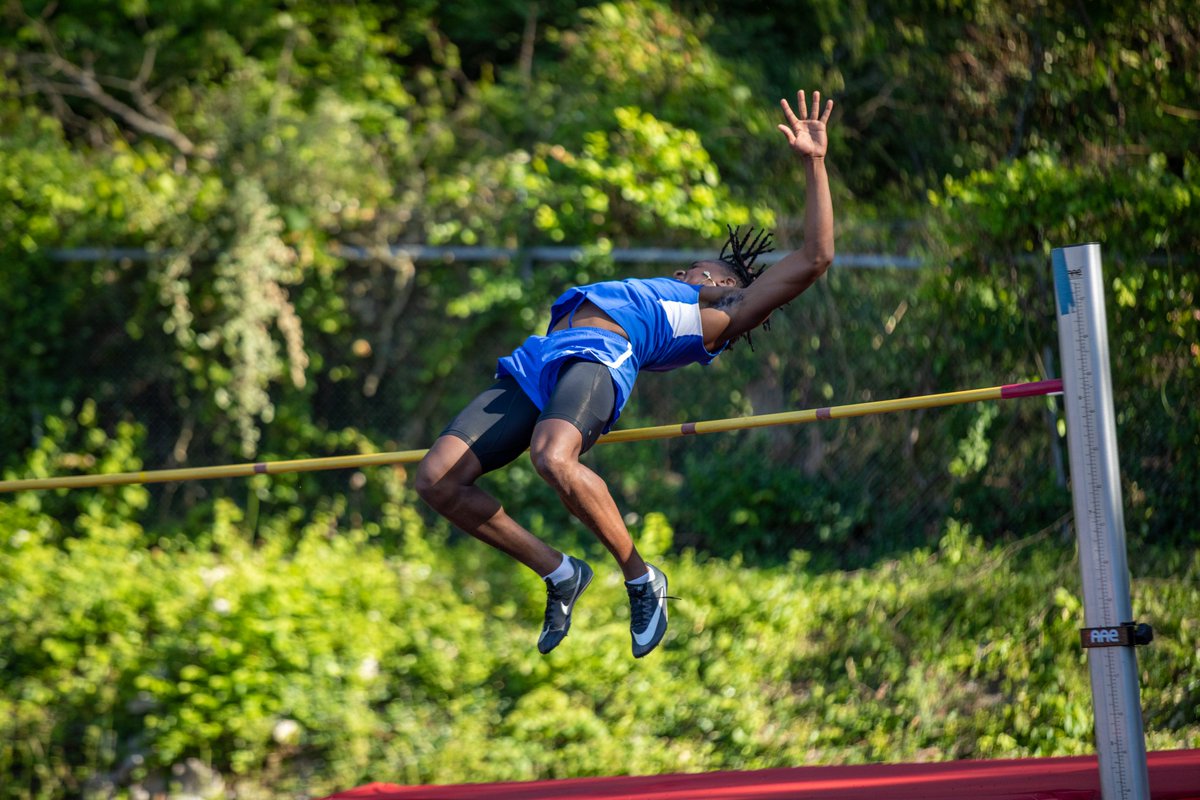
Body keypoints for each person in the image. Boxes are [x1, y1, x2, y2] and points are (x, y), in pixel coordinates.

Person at [416, 89, 835, 658]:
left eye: (704, 267)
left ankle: (641, 577)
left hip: (600, 356)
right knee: (437, 480)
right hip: (540, 360)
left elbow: (814, 259)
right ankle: (559, 572)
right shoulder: (670, 287)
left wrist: (814, 164)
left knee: (553, 457)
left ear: (728, 285)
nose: (688, 269)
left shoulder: (720, 312)